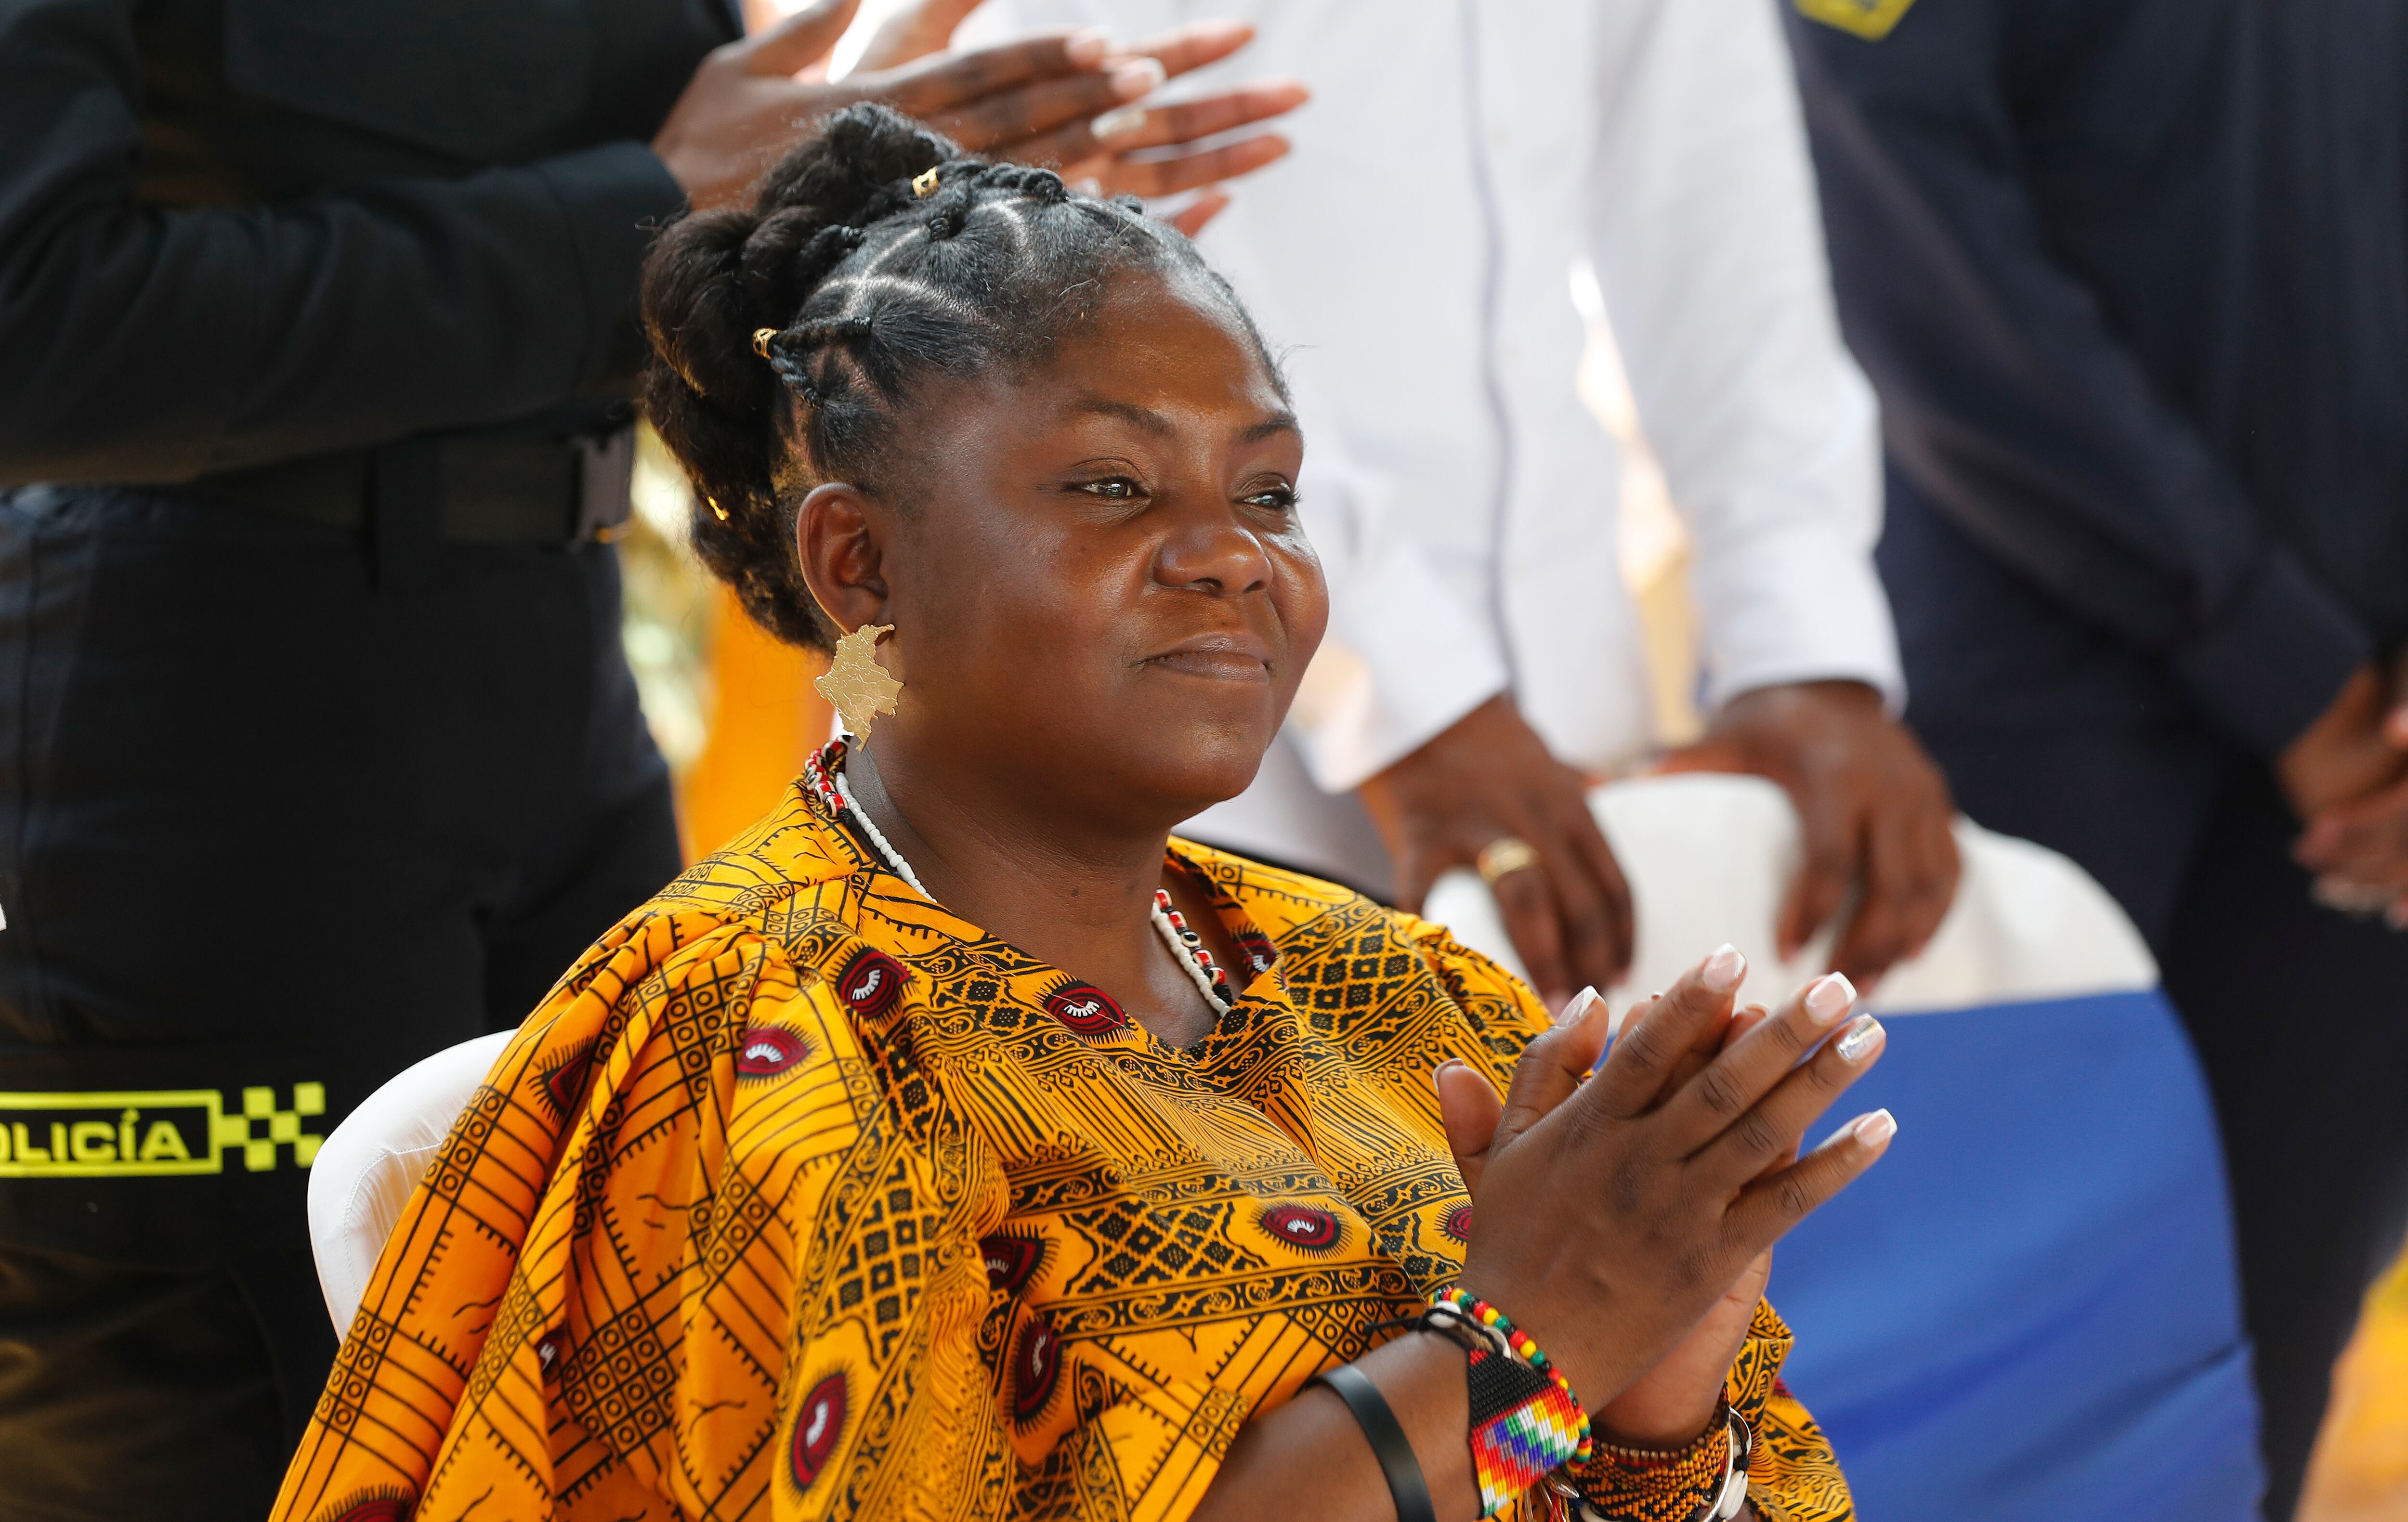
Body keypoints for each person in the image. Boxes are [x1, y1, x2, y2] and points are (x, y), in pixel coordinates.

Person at [270, 106, 1895, 1522]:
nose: (1231, 553)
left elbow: (1540, 1475)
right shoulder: (761, 1061)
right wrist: (1532, 1333)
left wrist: (1654, 1379)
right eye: (1115, 487)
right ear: (862, 568)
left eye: (1267, 491)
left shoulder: (1396, 991)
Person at [0, 1, 1297, 1515]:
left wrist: (911, 251)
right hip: (204, 749)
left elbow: (681, 199)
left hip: (564, 690)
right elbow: (33, 326)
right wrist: (636, 212)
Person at [951, 0, 1963, 1014]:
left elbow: (1717, 219)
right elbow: (1068, 255)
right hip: (1196, 799)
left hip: (1569, 784)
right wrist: (1410, 706)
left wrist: (1803, 657)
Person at [1782, 1, 2408, 1514]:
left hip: (2374, 771)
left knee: (2251, 1385)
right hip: (2014, 733)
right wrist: (2295, 673)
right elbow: (1908, 230)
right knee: (1941, 1390)